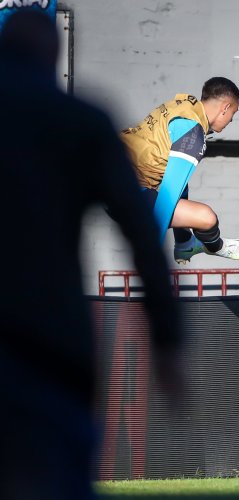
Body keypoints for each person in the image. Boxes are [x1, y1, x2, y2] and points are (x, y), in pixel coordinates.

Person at [0, 9, 182, 500]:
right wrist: (167, 337)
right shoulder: (80, 121)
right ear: (52, 54)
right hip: (50, 334)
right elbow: (143, 233)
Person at [121, 77, 239, 263]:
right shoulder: (193, 135)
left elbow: (178, 185)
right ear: (225, 108)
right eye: (233, 113)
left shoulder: (184, 104)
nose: (231, 120)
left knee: (180, 181)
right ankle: (216, 246)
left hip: (106, 165)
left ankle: (185, 244)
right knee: (207, 217)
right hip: (121, 188)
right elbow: (167, 200)